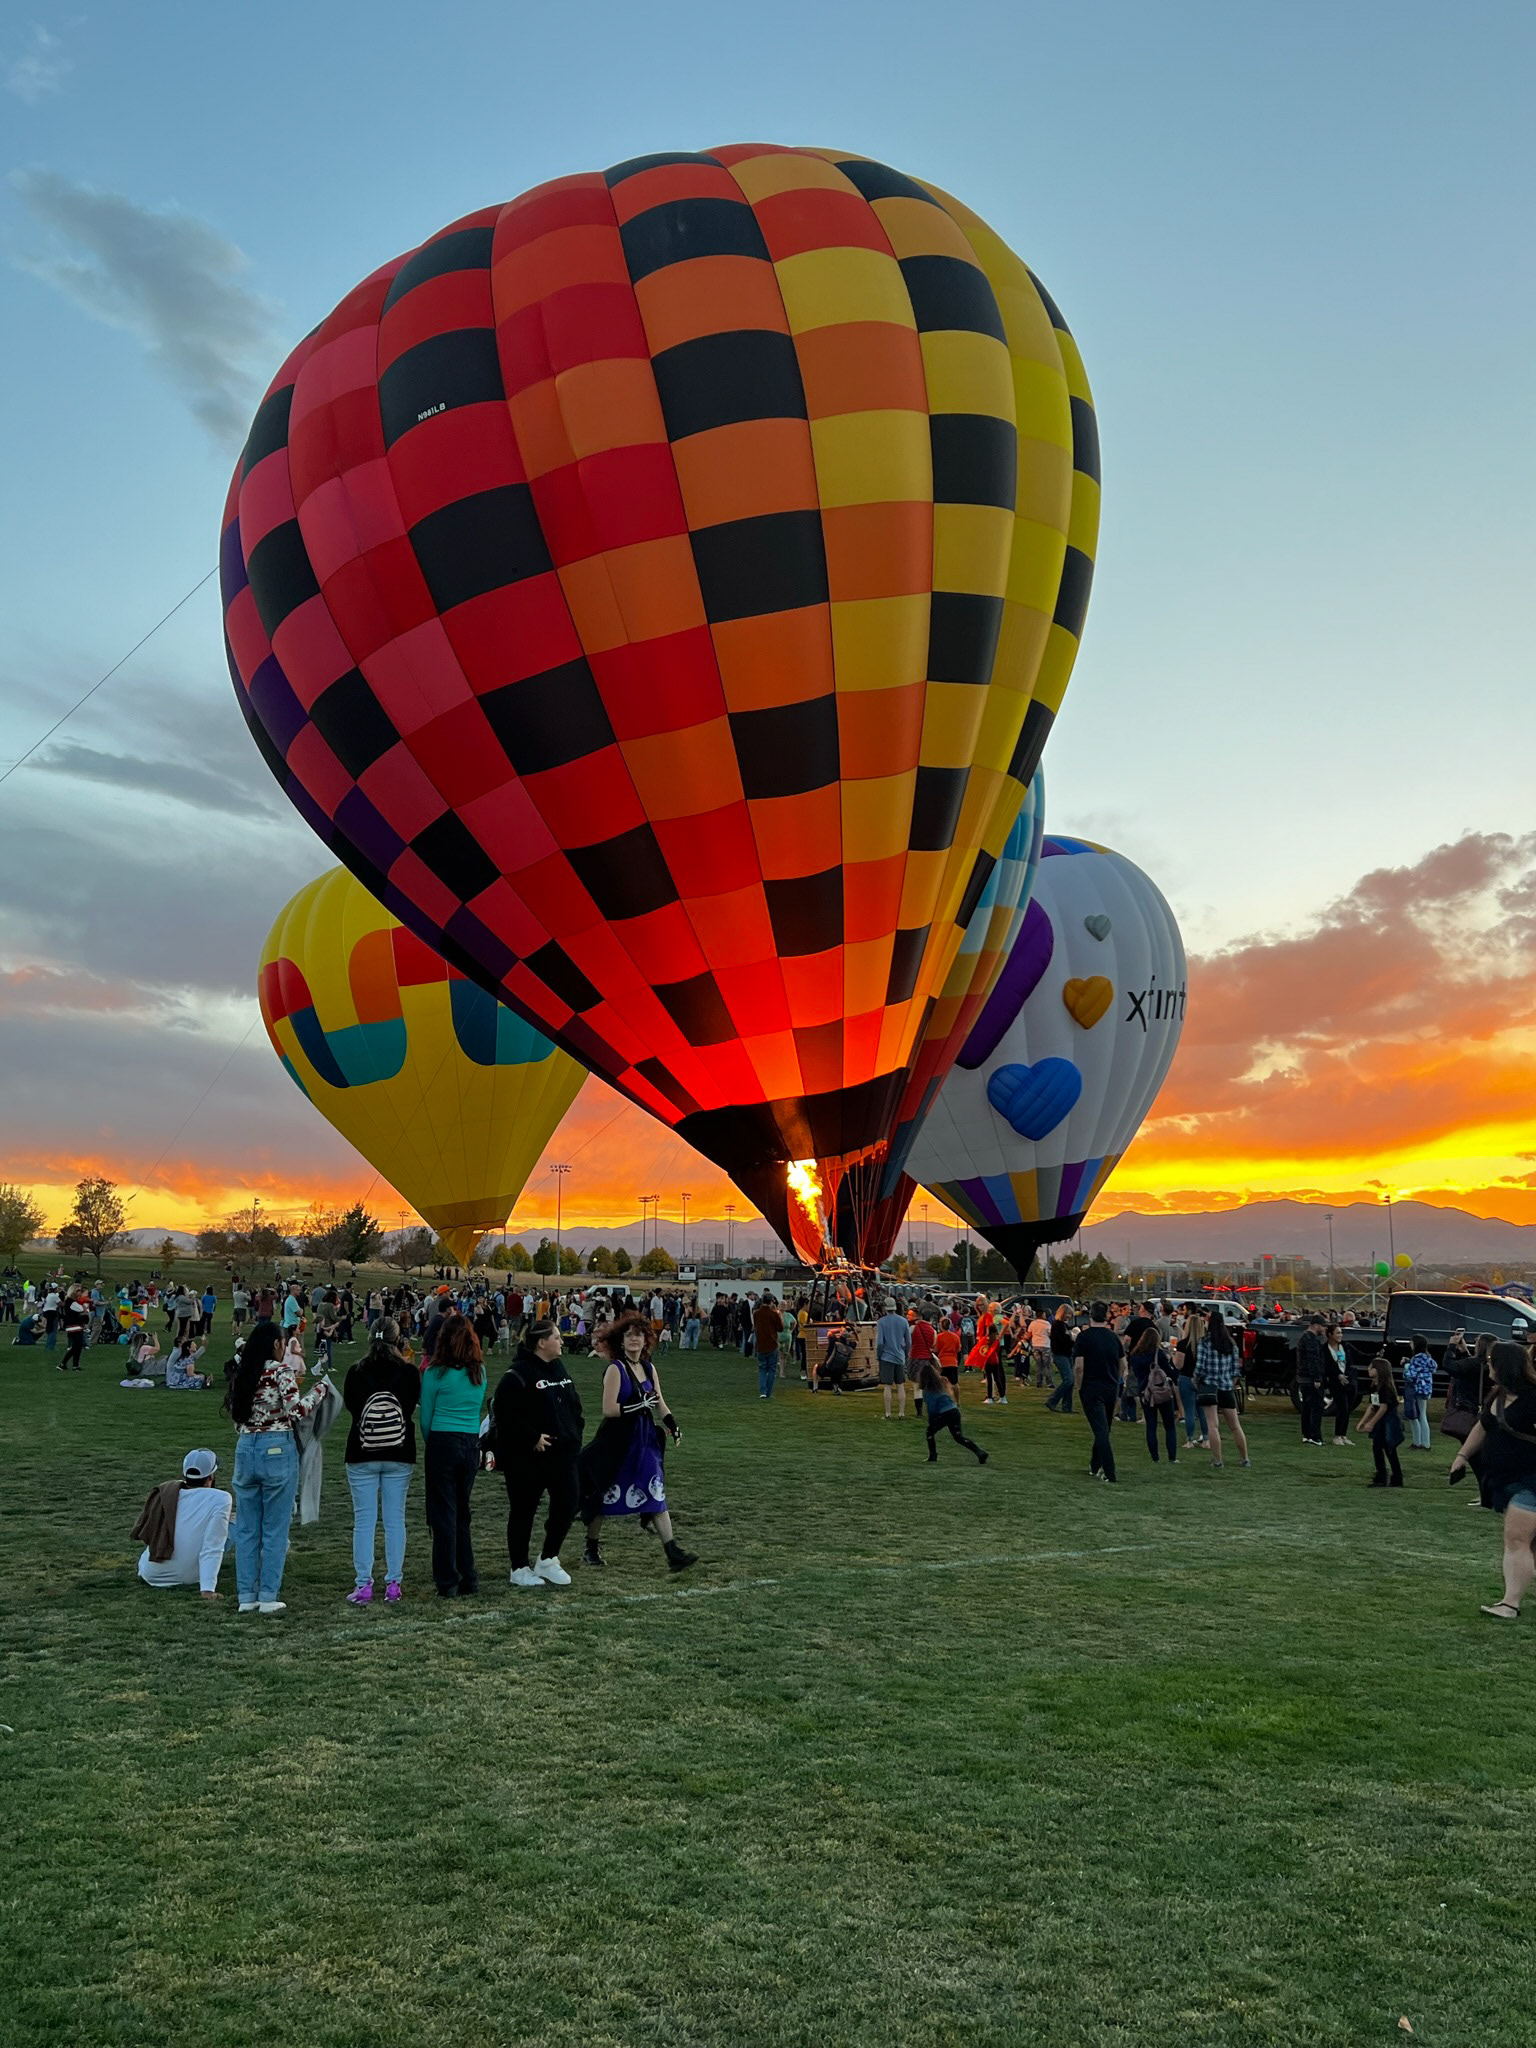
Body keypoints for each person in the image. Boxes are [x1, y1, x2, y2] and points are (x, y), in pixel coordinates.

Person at [226, 1320, 334, 1614]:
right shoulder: (279, 1371)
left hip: (246, 1448)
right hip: (277, 1447)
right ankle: (268, 1595)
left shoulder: (243, 1372)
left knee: (248, 1528)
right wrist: (320, 1390)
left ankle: (246, 1596)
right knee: (275, 1528)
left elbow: (238, 1417)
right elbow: (297, 1410)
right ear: (276, 1344)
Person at [579, 1314, 695, 1573]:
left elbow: (659, 1402)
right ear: (621, 1340)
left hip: (644, 1442)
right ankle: (591, 1548)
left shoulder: (649, 1368)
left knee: (655, 1491)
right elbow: (609, 1409)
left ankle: (672, 1551)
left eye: (639, 1335)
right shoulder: (615, 1369)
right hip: (617, 1442)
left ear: (646, 1340)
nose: (634, 1339)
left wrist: (672, 1424)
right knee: (603, 1496)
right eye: (629, 1334)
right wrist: (638, 1406)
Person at [491, 1318, 585, 1589]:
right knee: (523, 1511)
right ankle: (518, 1567)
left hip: (563, 1455)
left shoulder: (558, 1368)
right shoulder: (517, 1374)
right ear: (541, 1343)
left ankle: (548, 1558)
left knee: (568, 1502)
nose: (561, 1341)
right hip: (527, 1459)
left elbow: (572, 1404)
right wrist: (531, 1437)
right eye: (556, 1337)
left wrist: (574, 1432)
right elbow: (504, 1413)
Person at [1449, 1340, 1536, 1619]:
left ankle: (1510, 1604)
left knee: (1516, 1537)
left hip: (1531, 1480)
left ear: (1503, 1365)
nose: (1487, 1365)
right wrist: (1462, 1456)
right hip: (1505, 1479)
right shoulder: (1497, 1395)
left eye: (1490, 1361)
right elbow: (1483, 1426)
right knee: (1529, 1543)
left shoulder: (1534, 1397)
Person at [341, 1318, 420, 1605]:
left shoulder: (355, 1372)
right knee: (394, 1519)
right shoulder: (409, 1372)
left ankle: (363, 1584)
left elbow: (352, 1408)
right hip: (399, 1451)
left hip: (362, 1451)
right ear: (398, 1340)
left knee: (364, 1520)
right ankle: (393, 1583)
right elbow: (410, 1407)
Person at [418, 1311, 487, 1597]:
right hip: (469, 1442)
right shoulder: (479, 1372)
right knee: (462, 1512)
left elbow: (426, 1418)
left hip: (442, 1441)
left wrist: (431, 1442)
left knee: (443, 1514)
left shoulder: (435, 1373)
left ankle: (447, 1579)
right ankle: (468, 1575)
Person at [133, 1447, 233, 1598]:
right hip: (186, 1576)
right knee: (234, 1525)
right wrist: (208, 1589)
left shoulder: (168, 1490)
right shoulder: (221, 1498)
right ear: (211, 1476)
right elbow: (213, 1545)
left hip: (149, 1572)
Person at [1072, 1302, 1124, 1483]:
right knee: (1103, 1427)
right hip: (1110, 1387)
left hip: (1091, 1387)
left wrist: (1079, 1386)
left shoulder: (1084, 1337)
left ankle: (1110, 1472)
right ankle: (1094, 1465)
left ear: (1090, 1316)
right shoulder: (1113, 1338)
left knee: (1101, 1430)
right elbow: (1123, 1365)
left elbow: (1079, 1367)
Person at [1195, 1309, 1249, 1470]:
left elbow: (1200, 1367)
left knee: (1212, 1425)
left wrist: (1197, 1380)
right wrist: (1231, 1383)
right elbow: (1236, 1370)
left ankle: (1218, 1460)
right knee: (1235, 1425)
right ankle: (1245, 1458)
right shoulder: (1231, 1344)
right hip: (1226, 1387)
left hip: (1210, 1386)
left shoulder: (1204, 1342)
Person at [916, 1360, 987, 1465]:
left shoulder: (928, 1391)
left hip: (944, 1414)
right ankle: (979, 1452)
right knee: (958, 1437)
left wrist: (931, 1422)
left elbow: (932, 1409)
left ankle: (933, 1455)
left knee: (929, 1432)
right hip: (954, 1412)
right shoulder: (940, 1386)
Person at [1131, 1326, 1179, 1464]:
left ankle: (1155, 1457)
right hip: (1161, 1391)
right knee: (1169, 1425)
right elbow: (1171, 1374)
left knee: (1151, 1425)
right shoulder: (1159, 1354)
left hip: (1145, 1391)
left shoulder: (1135, 1355)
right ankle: (1172, 1457)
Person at [1358, 1355, 1404, 1488]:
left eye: (1371, 1367)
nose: (1368, 1369)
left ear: (1378, 1370)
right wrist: (1363, 1421)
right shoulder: (1373, 1386)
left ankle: (1396, 1477)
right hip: (1380, 1423)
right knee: (1377, 1448)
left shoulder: (1386, 1388)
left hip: (1388, 1422)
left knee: (1390, 1449)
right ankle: (1381, 1476)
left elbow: (1383, 1408)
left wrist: (1371, 1423)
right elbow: (1373, 1406)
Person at [1174, 1309, 1206, 1450]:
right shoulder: (1205, 1344)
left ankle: (1189, 1440)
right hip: (1202, 1380)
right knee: (1204, 1412)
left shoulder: (1183, 1344)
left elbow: (1178, 1365)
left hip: (1186, 1377)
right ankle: (1206, 1439)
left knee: (1189, 1411)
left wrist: (1172, 1356)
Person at [875, 1298, 912, 1418]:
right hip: (900, 1357)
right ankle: (901, 1413)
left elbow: (880, 1343)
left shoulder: (881, 1322)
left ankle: (888, 1413)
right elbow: (909, 1342)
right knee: (900, 1385)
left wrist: (878, 1355)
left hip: (886, 1357)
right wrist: (905, 1354)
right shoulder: (903, 1321)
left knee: (887, 1386)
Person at [1295, 1315, 1329, 1445]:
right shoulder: (1311, 1339)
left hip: (1303, 1378)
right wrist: (1316, 1377)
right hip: (1310, 1378)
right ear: (1315, 1325)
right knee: (1316, 1407)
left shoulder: (1304, 1337)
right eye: (1322, 1326)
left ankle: (1307, 1434)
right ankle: (1315, 1437)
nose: (1323, 1328)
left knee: (1307, 1408)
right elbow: (1313, 1359)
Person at [1325, 1322, 1356, 1444]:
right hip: (1336, 1383)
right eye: (1337, 1333)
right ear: (1330, 1334)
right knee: (1342, 1408)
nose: (1340, 1335)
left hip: (1348, 1382)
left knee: (1347, 1409)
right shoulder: (1325, 1349)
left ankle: (1343, 1435)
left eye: (1341, 1333)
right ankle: (1337, 1436)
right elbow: (1326, 1366)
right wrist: (1337, 1375)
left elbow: (1357, 1356)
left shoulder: (1345, 1346)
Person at [1403, 1336, 1435, 1451]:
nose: (1410, 1344)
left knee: (1415, 1415)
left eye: (1411, 1342)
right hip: (1425, 1389)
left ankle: (1418, 1442)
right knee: (1422, 1415)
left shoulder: (1416, 1359)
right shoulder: (1427, 1358)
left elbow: (1410, 1375)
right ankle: (1425, 1443)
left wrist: (1406, 1366)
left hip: (1416, 1388)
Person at [753, 1293, 785, 1400]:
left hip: (760, 1344)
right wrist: (778, 1315)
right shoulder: (773, 1314)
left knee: (762, 1369)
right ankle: (768, 1392)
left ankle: (762, 1391)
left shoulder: (756, 1313)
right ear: (771, 1302)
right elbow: (780, 1328)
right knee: (771, 1369)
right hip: (772, 1344)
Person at [1045, 1305, 1076, 1414]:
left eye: (1071, 1314)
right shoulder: (1058, 1325)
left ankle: (1067, 1407)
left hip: (1067, 1355)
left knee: (1070, 1381)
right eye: (1068, 1314)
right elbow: (1062, 1341)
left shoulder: (1064, 1326)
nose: (1069, 1316)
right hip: (1060, 1355)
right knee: (1069, 1380)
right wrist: (1072, 1339)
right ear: (1062, 1313)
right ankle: (1052, 1400)